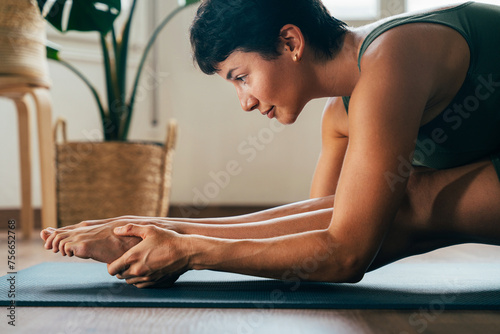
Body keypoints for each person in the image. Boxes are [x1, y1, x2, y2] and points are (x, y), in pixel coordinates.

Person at [41, 0, 500, 288]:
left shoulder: (391, 59)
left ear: (290, 41)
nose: (244, 101)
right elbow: (319, 226)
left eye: (241, 78)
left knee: (410, 201)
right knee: (370, 207)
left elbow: (345, 252)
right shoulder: (341, 116)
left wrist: (190, 252)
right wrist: (150, 225)